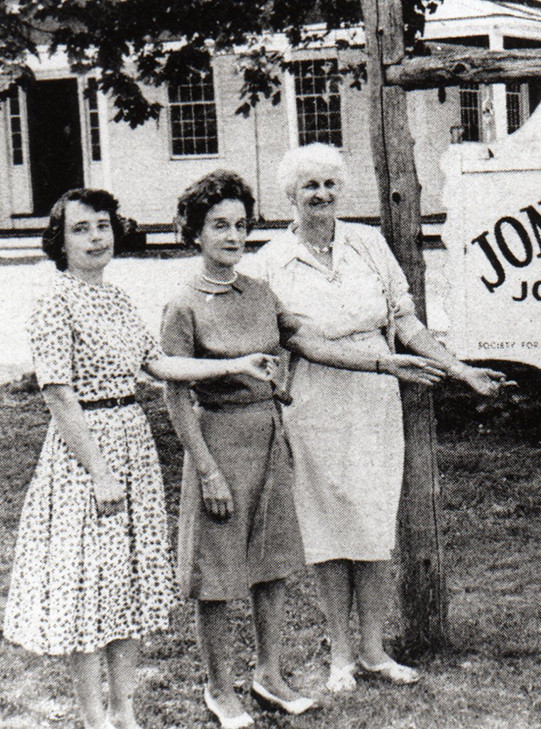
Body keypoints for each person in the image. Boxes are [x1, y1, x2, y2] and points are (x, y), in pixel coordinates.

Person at [162, 170, 446, 727]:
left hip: (269, 439)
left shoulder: (259, 293)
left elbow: (310, 341)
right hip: (218, 444)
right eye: (218, 226)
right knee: (217, 576)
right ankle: (219, 688)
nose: (232, 236)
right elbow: (175, 396)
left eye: (241, 225)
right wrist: (207, 470)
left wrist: (387, 361)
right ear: (194, 233)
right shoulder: (183, 303)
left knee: (272, 567)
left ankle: (268, 676)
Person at [2, 188, 277, 729]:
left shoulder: (117, 298)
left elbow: (161, 365)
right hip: (87, 457)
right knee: (87, 588)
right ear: (59, 240)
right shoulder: (54, 301)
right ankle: (93, 717)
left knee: (125, 584)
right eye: (82, 229)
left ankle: (125, 711)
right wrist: (99, 472)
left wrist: (234, 364)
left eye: (103, 226)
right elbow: (59, 394)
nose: (96, 237)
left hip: (133, 443)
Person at [243, 143, 506, 692]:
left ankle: (373, 650)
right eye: (309, 186)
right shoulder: (267, 262)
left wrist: (461, 371)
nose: (321, 195)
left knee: (372, 521)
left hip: (376, 401)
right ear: (290, 194)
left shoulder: (367, 244)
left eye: (330, 185)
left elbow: (404, 321)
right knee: (326, 526)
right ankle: (340, 654)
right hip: (312, 400)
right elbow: (294, 339)